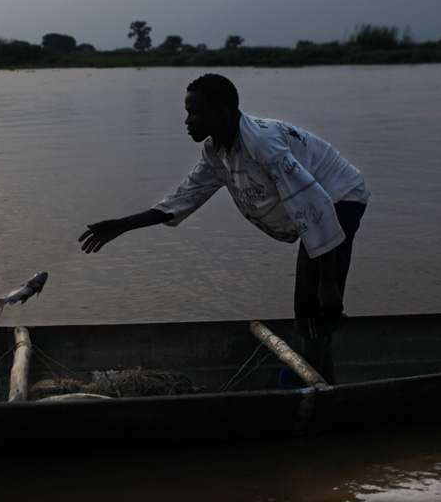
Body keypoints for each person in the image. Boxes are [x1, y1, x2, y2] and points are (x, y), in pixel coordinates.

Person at [78, 73, 368, 383]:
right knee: (310, 307)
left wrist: (328, 282)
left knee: (312, 300)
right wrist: (121, 226)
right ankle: (323, 381)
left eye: (195, 112)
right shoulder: (217, 152)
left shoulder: (262, 143)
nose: (188, 120)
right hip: (317, 209)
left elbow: (315, 206)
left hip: (340, 198)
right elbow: (183, 198)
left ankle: (320, 385)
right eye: (187, 112)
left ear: (223, 112)